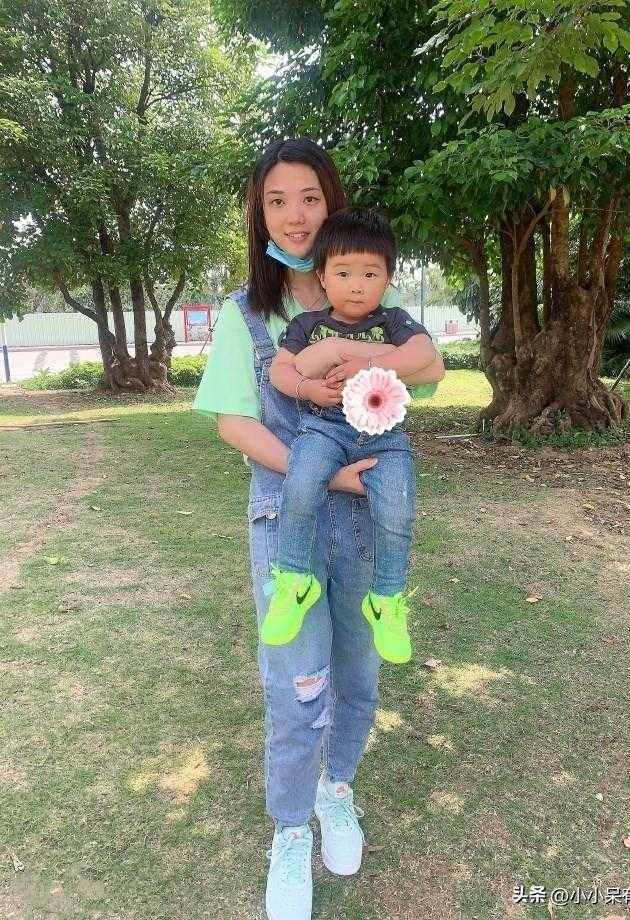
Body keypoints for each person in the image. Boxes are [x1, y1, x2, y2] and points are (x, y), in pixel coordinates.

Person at [192, 138, 444, 920]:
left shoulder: (372, 300)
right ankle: (291, 829)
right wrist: (325, 472)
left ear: (332, 204)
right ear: (260, 214)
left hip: (366, 527)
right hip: (288, 519)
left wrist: (356, 349)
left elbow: (428, 371)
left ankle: (338, 789)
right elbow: (234, 423)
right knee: (297, 683)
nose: (295, 215)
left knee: (359, 677)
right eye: (277, 201)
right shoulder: (248, 313)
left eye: (309, 197)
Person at [261, 206, 439, 665]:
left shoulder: (395, 321)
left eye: (370, 273)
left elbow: (424, 353)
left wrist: (368, 363)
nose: (356, 285)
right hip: (324, 428)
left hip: (386, 436)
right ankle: (293, 579)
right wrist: (306, 388)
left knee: (397, 508)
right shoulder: (307, 325)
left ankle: (386, 599)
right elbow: (282, 369)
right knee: (300, 484)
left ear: (388, 278)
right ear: (322, 276)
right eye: (343, 273)